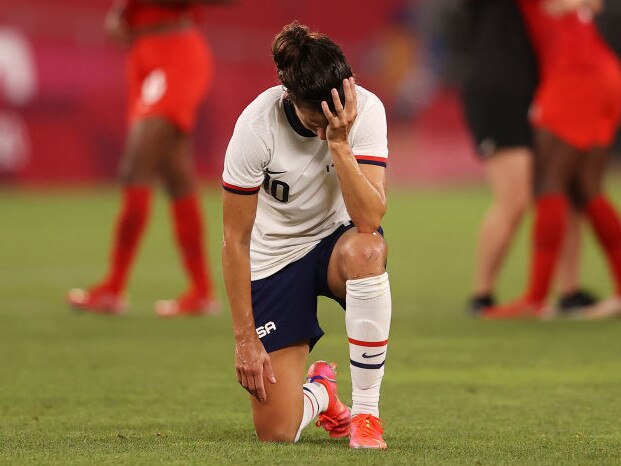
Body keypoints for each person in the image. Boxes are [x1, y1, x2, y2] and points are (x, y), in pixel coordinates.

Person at [222, 22, 391, 449]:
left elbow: (369, 219)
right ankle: (322, 393)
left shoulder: (367, 110)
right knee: (276, 432)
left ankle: (367, 416)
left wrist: (339, 144)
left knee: (368, 251)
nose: (323, 130)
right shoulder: (255, 128)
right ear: (290, 99)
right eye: (315, 123)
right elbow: (235, 240)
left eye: (331, 120)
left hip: (337, 242)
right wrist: (245, 339)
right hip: (275, 257)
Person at [67, 0, 234, 316]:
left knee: (136, 163)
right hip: (144, 54)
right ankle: (201, 291)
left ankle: (113, 288)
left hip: (177, 51)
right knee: (176, 174)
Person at [484, 0, 621, 319]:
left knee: (549, 185)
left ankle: (536, 298)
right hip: (603, 74)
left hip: (574, 76)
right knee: (587, 189)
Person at [460, 0, 596, 316]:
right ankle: (481, 295)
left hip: (543, 89)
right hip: (500, 92)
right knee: (515, 199)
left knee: (559, 191)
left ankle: (569, 290)